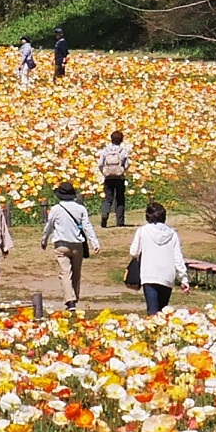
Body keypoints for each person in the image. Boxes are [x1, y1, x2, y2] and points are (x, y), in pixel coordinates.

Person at [41, 181, 101, 310]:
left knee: (65, 272)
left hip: (61, 244)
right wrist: (94, 242)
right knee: (76, 273)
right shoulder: (80, 209)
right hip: (77, 245)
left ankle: (70, 300)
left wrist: (44, 240)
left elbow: (49, 227)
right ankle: (74, 297)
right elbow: (87, 227)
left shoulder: (56, 209)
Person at [127, 201, 189, 315]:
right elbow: (178, 257)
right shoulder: (172, 233)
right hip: (167, 275)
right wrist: (184, 278)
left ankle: (153, 332)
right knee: (163, 311)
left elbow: (133, 252)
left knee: (152, 312)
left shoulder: (143, 231)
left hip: (149, 274)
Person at [96, 130, 133, 228]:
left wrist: (104, 172)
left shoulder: (105, 151)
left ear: (111, 139)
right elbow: (127, 164)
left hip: (108, 177)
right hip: (119, 177)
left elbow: (100, 164)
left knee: (108, 199)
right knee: (120, 199)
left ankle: (104, 216)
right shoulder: (123, 151)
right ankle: (120, 222)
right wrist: (122, 170)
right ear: (121, 140)